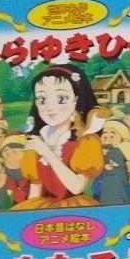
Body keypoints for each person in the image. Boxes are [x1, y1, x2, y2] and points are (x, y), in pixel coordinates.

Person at [15, 64, 105, 209]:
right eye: (42, 99)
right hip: (42, 208)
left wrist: (47, 152)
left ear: (76, 100)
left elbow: (76, 187)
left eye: (61, 98)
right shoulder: (38, 140)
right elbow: (35, 191)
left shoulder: (85, 141)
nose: (50, 107)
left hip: (74, 207)